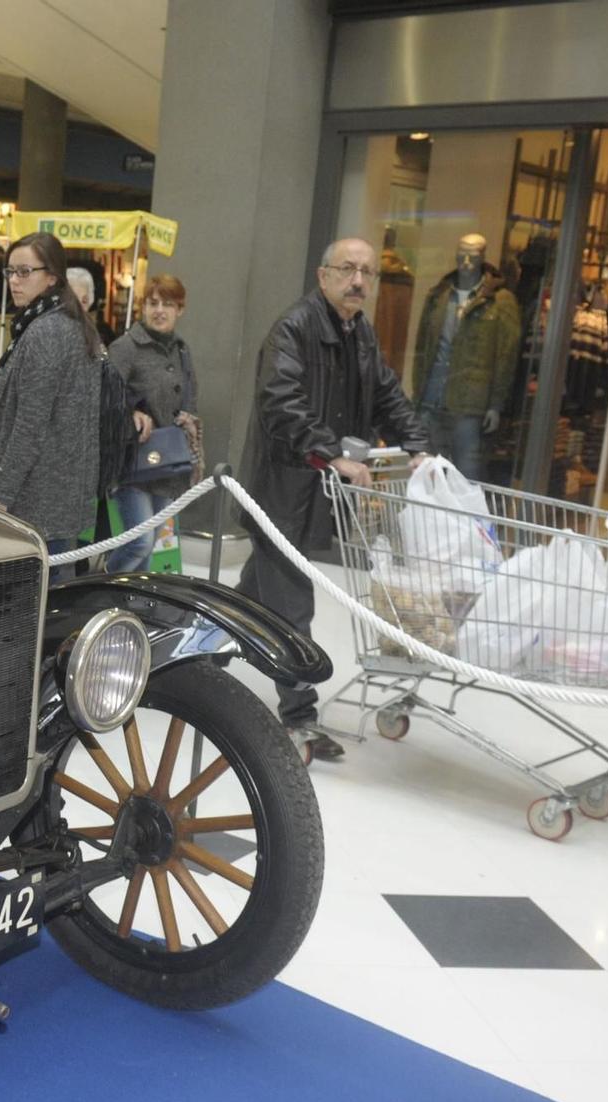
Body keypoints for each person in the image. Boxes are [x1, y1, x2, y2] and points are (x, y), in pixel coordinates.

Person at [237, 236, 428, 760]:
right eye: (348, 269)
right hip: (281, 491)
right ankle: (298, 716)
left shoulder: (358, 332)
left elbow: (386, 390)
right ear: (323, 276)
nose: (359, 281)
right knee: (293, 602)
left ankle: (201, 653)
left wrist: (418, 445)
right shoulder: (294, 329)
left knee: (259, 586)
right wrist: (330, 453)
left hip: (312, 493)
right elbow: (281, 403)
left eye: (367, 272)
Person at [0, 231, 103, 585]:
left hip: (35, 501)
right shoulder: (69, 325)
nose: (14, 281)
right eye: (10, 272)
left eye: (24, 272)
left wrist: (0, 496)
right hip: (57, 495)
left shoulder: (47, 332)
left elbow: (30, 424)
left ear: (52, 277)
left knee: (29, 606)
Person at [105, 273, 200, 572]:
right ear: (143, 307)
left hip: (168, 462)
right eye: (153, 303)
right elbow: (104, 395)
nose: (160, 310)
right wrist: (129, 412)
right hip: (131, 461)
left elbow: (190, 395)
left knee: (151, 544)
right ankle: (107, 585)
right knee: (140, 542)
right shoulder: (126, 347)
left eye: (168, 304)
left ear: (180, 309)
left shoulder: (181, 349)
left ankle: (131, 604)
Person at [410, 233, 520, 480]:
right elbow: (423, 347)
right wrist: (418, 393)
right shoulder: (439, 295)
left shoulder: (501, 302)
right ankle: (425, 520)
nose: (466, 262)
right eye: (462, 255)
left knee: (466, 478)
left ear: (483, 258)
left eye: (473, 256)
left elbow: (506, 358)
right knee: (424, 475)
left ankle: (464, 521)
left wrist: (495, 404)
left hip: (470, 406)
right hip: (431, 399)